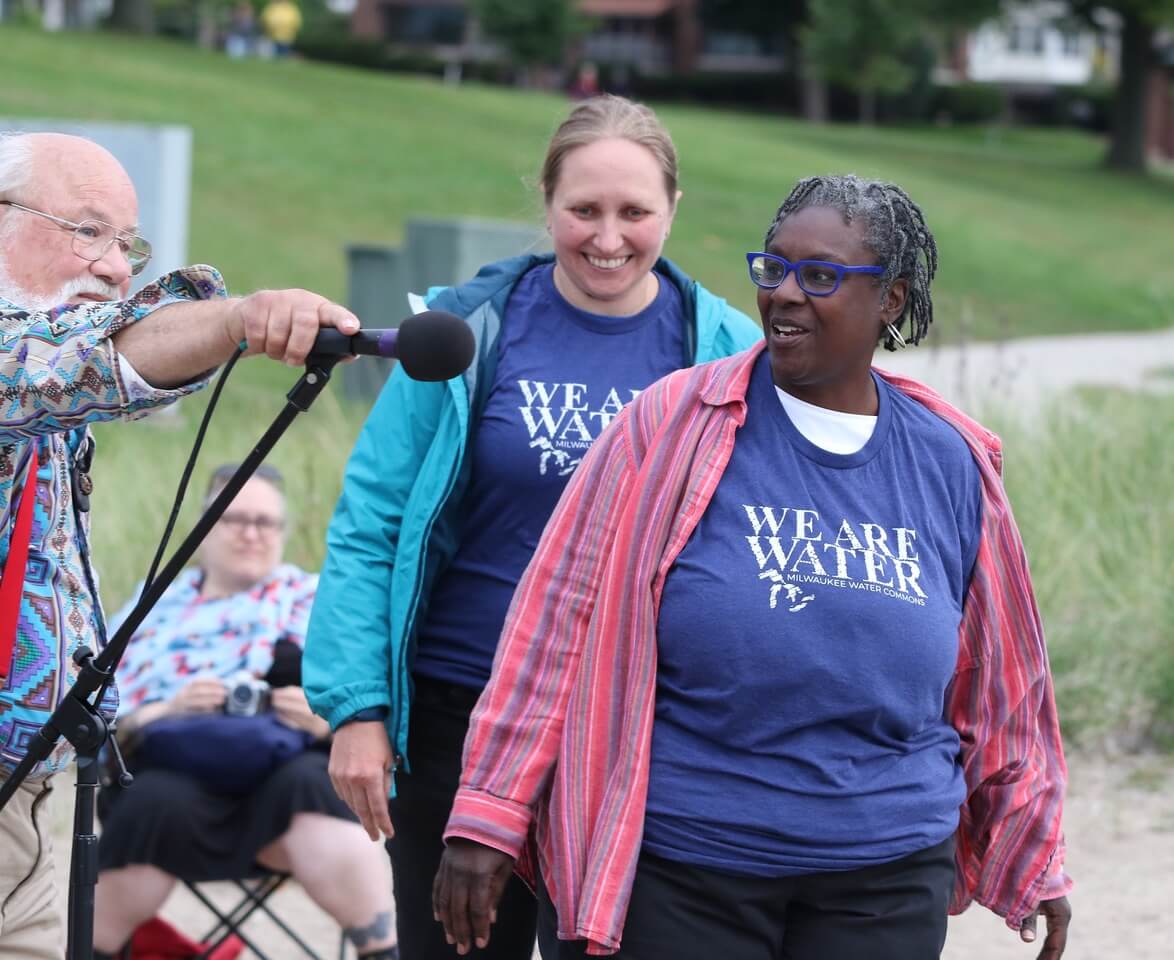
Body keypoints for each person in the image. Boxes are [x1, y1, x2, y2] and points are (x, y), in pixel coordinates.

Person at [433, 174, 1074, 960]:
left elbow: (1006, 688)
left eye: (822, 276)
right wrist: (488, 813)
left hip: (886, 871)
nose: (787, 295)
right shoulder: (668, 425)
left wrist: (1033, 851)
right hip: (687, 867)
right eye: (774, 269)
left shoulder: (951, 461)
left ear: (893, 301)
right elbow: (553, 624)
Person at [303, 94, 761, 959]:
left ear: (674, 209)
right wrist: (356, 707)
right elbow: (370, 522)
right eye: (583, 210)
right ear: (546, 201)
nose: (608, 237)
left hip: (634, 724)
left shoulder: (726, 352)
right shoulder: (464, 329)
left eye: (635, 212)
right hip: (459, 714)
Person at [0, 130, 360, 960]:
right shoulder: (32, 356)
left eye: (127, 243)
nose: (117, 266)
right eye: (88, 230)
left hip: (37, 800)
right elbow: (77, 364)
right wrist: (238, 319)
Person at [91, 465, 398, 960]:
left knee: (310, 782)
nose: (252, 533)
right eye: (235, 519)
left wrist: (327, 720)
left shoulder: (320, 603)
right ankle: (95, 950)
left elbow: (375, 712)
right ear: (205, 526)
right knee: (152, 802)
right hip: (170, 791)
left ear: (282, 531)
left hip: (288, 791)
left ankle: (382, 949)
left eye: (265, 522)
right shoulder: (152, 609)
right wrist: (169, 709)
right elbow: (99, 722)